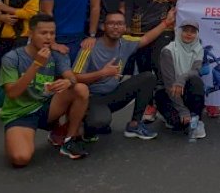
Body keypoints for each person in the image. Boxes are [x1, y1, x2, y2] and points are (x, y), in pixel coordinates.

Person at [0, 14, 90, 165]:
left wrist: (67, 81)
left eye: (52, 33)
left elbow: (72, 77)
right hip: (20, 114)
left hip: (47, 107)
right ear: (31, 33)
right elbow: (12, 93)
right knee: (20, 159)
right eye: (43, 33)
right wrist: (36, 65)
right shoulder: (12, 58)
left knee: (80, 89)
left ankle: (69, 140)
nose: (48, 37)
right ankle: (17, 136)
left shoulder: (57, 54)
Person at [73, 11, 175, 141]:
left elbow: (146, 38)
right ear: (103, 27)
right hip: (93, 98)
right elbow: (74, 77)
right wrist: (102, 73)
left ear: (124, 27)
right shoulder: (89, 47)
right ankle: (86, 123)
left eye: (120, 23)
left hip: (113, 95)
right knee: (100, 122)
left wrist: (166, 22)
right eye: (111, 23)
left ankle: (135, 125)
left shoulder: (126, 42)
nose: (116, 27)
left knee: (148, 77)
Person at [123, 0, 178, 121]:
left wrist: (174, 5)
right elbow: (129, 5)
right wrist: (127, 26)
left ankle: (167, 107)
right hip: (140, 30)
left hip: (163, 29)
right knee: (145, 71)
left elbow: (177, 1)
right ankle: (149, 106)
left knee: (161, 68)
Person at [155, 19, 207, 139]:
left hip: (184, 89)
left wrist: (183, 78)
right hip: (168, 92)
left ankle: (196, 120)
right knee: (178, 124)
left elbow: (196, 70)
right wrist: (182, 109)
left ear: (197, 34)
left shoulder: (199, 49)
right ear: (179, 32)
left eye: (193, 32)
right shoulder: (168, 51)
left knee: (196, 81)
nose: (189, 34)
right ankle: (166, 114)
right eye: (185, 31)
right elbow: (169, 85)